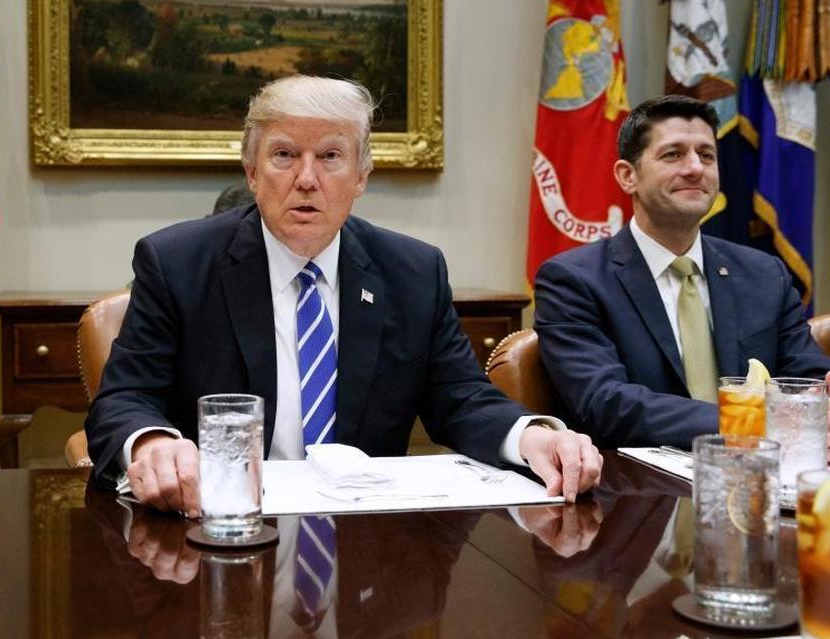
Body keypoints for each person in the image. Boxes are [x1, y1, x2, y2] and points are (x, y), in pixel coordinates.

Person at [86, 75, 602, 517]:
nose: (306, 179)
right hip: (220, 527)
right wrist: (152, 444)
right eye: (284, 155)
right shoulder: (176, 263)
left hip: (367, 539)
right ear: (251, 172)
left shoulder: (413, 272)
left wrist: (532, 437)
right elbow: (125, 399)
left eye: (330, 156)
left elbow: (460, 398)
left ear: (361, 177)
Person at [534, 94, 830, 449]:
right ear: (628, 176)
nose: (695, 168)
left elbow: (808, 382)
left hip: (759, 480)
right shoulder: (573, 280)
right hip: (638, 494)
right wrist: (746, 420)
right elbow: (606, 403)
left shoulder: (765, 275)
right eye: (673, 154)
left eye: (707, 155)